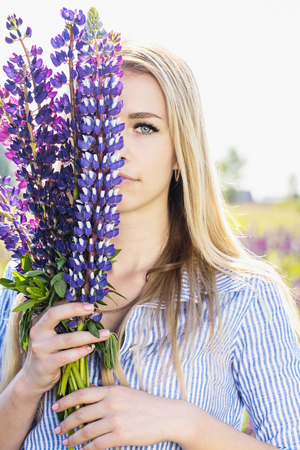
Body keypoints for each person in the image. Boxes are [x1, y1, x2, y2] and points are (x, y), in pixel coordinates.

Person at [0, 40, 300, 450]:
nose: (115, 148)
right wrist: (27, 384)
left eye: (144, 127)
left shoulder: (244, 297)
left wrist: (184, 422)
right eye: (100, 123)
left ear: (180, 152)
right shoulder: (23, 282)